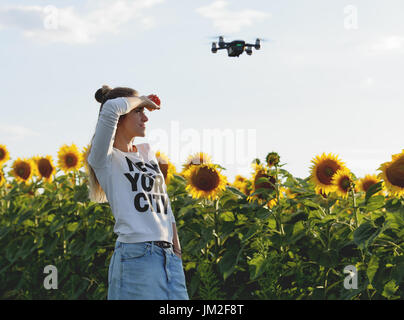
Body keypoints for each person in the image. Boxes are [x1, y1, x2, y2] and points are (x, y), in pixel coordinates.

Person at [86, 85, 189, 300]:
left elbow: (164, 205)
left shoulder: (146, 152)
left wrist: (176, 252)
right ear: (121, 117)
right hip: (137, 256)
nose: (146, 117)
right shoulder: (104, 158)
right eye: (138, 111)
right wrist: (142, 99)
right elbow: (111, 107)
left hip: (168, 259)